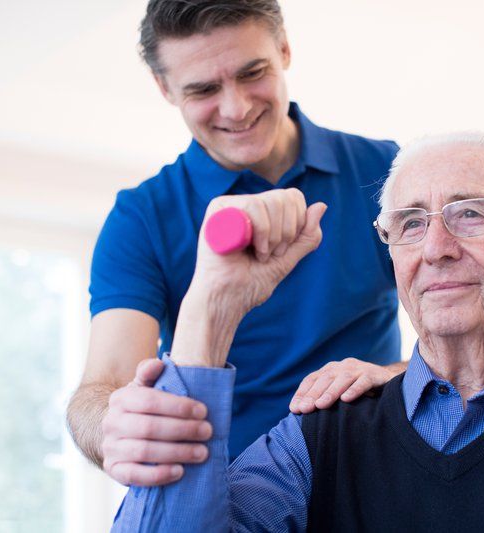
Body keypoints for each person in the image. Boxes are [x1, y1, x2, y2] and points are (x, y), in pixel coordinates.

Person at [111, 131, 484, 532]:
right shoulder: (318, 436)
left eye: (470, 215)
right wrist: (206, 317)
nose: (435, 248)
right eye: (409, 223)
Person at [66, 0, 410, 484]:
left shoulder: (385, 172)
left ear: (284, 48)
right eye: (204, 89)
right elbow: (102, 386)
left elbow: (467, 339)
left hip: (373, 480)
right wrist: (115, 427)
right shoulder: (141, 219)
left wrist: (398, 377)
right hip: (228, 498)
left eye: (253, 73)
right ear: (165, 88)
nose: (237, 107)